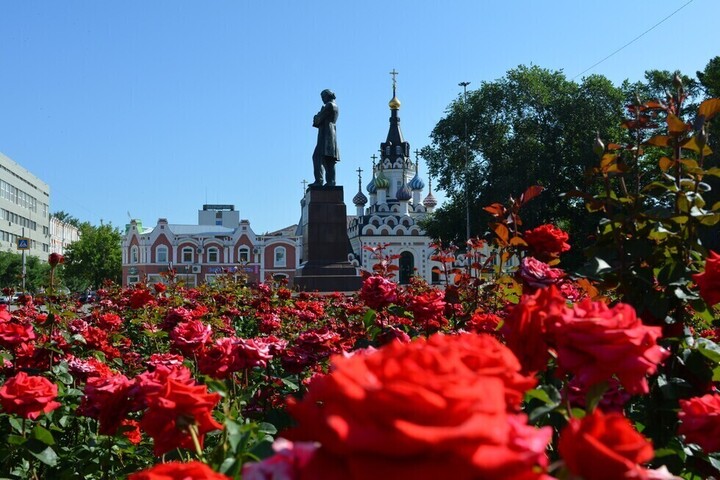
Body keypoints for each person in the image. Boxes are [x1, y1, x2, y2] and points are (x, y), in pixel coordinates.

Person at [309, 89, 340, 187]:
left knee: (317, 157)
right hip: (331, 134)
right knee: (329, 160)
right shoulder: (335, 106)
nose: (322, 99)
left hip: (326, 134)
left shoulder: (329, 106)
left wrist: (317, 116)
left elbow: (317, 121)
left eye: (323, 97)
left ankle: (319, 181)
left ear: (328, 96)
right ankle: (331, 182)